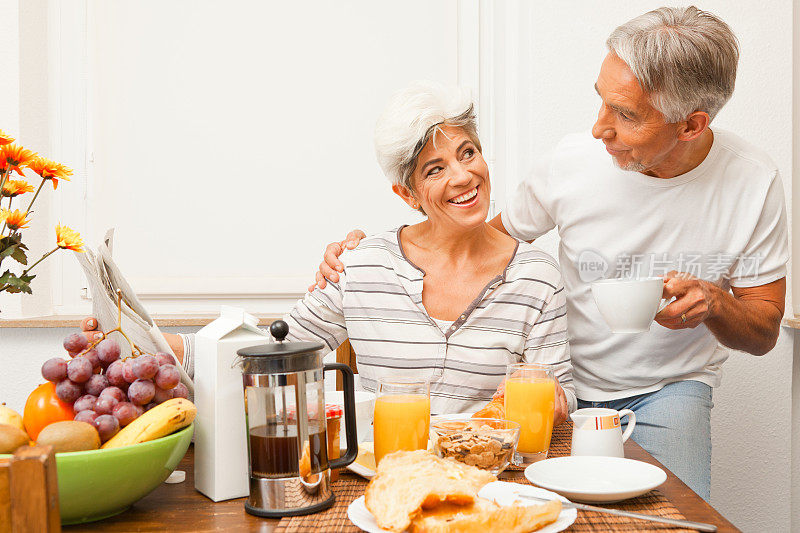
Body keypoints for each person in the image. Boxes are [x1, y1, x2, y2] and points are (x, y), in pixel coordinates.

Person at [312, 7, 788, 500]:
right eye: (602, 101)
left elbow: (764, 327)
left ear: (690, 125)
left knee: (676, 517)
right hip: (562, 386)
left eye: (625, 115)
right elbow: (477, 241)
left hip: (670, 388)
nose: (599, 128)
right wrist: (368, 257)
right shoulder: (573, 160)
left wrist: (717, 302)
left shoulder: (753, 182)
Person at [82, 81, 576, 419]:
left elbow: (561, 394)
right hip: (378, 470)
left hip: (487, 472)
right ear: (407, 194)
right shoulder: (363, 264)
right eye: (435, 168)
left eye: (468, 153)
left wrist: (551, 397)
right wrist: (158, 344)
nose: (463, 176)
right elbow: (276, 351)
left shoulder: (538, 277)